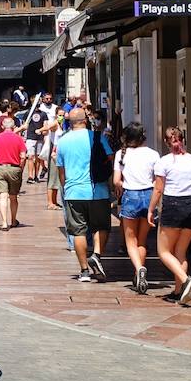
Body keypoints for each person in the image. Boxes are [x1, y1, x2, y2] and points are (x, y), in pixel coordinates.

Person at [149, 127, 191, 305]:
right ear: (184, 139)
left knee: (164, 251)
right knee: (181, 252)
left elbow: (159, 189)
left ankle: (185, 280)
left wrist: (151, 209)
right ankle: (178, 291)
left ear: (167, 142)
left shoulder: (164, 162)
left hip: (173, 205)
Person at [55, 107, 113, 283]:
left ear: (69, 122)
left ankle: (84, 271)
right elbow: (110, 158)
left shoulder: (63, 141)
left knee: (78, 231)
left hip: (74, 192)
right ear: (85, 120)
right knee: (101, 227)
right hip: (98, 190)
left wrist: (66, 188)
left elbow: (61, 170)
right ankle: (96, 255)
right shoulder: (97, 137)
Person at [114, 123, 159, 295]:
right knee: (142, 240)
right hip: (148, 196)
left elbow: (117, 181)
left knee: (130, 240)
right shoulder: (153, 154)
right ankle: (138, 273)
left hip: (131, 195)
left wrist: (124, 186)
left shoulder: (121, 154)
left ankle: (139, 269)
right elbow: (157, 180)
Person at [0, 112, 29, 231]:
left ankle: (4, 222)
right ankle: (13, 220)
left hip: (0, 167)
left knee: (3, 196)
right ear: (14, 127)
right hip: (14, 168)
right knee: (13, 196)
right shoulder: (19, 139)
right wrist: (21, 168)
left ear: (2, 126)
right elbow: (23, 156)